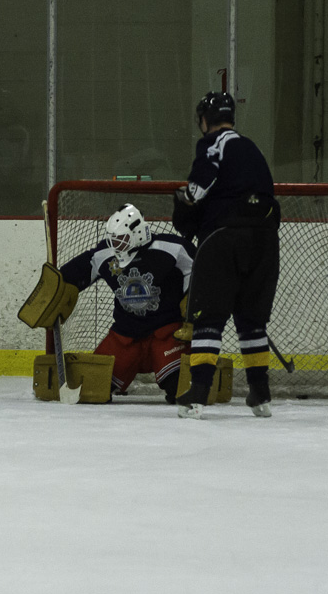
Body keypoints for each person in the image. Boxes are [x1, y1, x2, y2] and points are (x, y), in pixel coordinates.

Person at [171, 91, 280, 419]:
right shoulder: (252, 147)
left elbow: (196, 191)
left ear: (205, 120)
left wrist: (183, 201)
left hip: (223, 238)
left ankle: (198, 394)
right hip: (264, 241)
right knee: (252, 320)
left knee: (208, 318)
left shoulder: (213, 144)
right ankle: (260, 394)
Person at [47, 203, 195, 403]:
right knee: (94, 387)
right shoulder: (106, 253)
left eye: (122, 239)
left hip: (166, 332)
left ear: (138, 233)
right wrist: (54, 288)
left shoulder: (173, 248)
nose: (116, 245)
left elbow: (200, 271)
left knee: (180, 388)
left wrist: (192, 303)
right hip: (125, 335)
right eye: (113, 239)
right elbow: (71, 275)